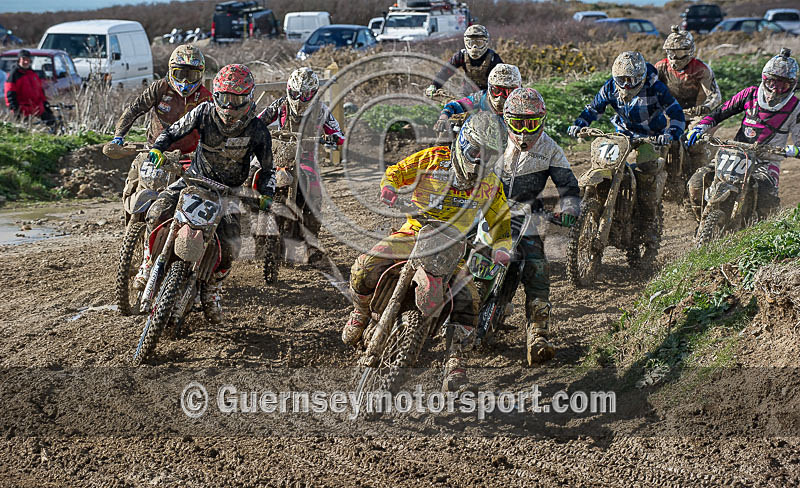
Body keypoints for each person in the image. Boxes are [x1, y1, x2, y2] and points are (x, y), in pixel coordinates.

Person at [343, 111, 512, 392]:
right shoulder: (434, 158)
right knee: (365, 265)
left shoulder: (491, 184)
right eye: (475, 151)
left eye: (488, 155)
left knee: (469, 298)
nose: (479, 160)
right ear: (461, 143)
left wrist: (502, 249)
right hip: (414, 233)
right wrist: (389, 188)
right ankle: (360, 312)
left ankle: (455, 360)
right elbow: (396, 172)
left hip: (454, 249)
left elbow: (501, 222)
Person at [137, 64, 274, 311]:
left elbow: (267, 169)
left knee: (233, 245)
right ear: (216, 96)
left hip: (229, 192)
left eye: (236, 99)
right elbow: (175, 131)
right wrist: (158, 147)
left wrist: (266, 194)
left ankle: (212, 288)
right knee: (157, 211)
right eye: (224, 98)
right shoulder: (204, 112)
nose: (229, 106)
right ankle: (148, 261)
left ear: (248, 98)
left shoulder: (258, 130)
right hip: (194, 179)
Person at [568, 51, 685, 260]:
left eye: (632, 80)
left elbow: (676, 113)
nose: (627, 85)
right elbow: (593, 109)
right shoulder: (610, 87)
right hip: (621, 135)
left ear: (640, 77)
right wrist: (579, 125)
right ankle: (591, 208)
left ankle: (648, 224)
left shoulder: (655, 88)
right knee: (603, 164)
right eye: (622, 79)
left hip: (650, 137)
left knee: (647, 171)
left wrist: (670, 133)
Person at [496, 87, 580, 365]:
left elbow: (568, 185)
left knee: (537, 267)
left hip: (526, 216)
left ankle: (538, 334)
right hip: (487, 212)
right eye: (518, 123)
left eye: (531, 123)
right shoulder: (492, 139)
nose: (524, 131)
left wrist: (568, 209)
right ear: (506, 120)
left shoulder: (550, 148)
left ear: (541, 121)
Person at [686, 48, 800, 221]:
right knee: (697, 182)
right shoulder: (750, 94)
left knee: (767, 196)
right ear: (764, 79)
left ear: (791, 85)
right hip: (735, 152)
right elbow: (721, 112)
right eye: (771, 82)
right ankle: (701, 222)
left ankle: (761, 233)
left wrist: (794, 150)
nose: (775, 89)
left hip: (767, 160)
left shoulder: (795, 107)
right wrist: (700, 127)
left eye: (782, 84)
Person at [256, 67, 344, 257]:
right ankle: (255, 226)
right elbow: (259, 120)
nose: (299, 98)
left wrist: (335, 137)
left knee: (314, 194)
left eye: (304, 95)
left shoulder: (321, 110)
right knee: (257, 178)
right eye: (295, 93)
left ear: (312, 93)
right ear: (289, 90)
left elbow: (337, 131)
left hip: (306, 159)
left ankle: (311, 244)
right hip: (279, 155)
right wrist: (254, 130)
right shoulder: (280, 105)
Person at [111, 45, 212, 204]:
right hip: (155, 152)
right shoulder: (160, 88)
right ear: (171, 71)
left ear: (200, 74)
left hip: (188, 158)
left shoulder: (205, 97)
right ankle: (131, 223)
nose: (185, 81)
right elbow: (134, 109)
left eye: (191, 75)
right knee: (132, 189)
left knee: (203, 200)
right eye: (180, 74)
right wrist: (119, 136)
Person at [655, 26, 722, 181]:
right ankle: (655, 176)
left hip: (695, 115)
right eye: (671, 52)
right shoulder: (661, 67)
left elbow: (715, 96)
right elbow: (649, 90)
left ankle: (698, 177)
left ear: (689, 51)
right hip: (670, 114)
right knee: (656, 139)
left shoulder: (702, 69)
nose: (675, 56)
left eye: (679, 52)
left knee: (696, 142)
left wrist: (706, 107)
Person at [433, 63, 521, 134]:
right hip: (482, 141)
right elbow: (455, 105)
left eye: (508, 92)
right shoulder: (482, 97)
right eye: (497, 91)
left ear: (517, 90)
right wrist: (443, 118)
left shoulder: (523, 102)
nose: (500, 97)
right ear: (490, 88)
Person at [425, 24, 504, 96]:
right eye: (471, 43)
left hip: (488, 93)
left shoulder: (493, 58)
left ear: (486, 42)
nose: (474, 47)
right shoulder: (461, 56)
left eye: (479, 43)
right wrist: (434, 86)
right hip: (467, 91)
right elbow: (446, 71)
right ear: (466, 42)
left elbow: (503, 78)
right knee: (456, 108)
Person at [4, 49, 54, 125]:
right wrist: (15, 110)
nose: (26, 62)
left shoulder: (32, 73)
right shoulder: (14, 75)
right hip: (23, 109)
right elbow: (10, 94)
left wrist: (45, 104)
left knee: (52, 122)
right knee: (24, 131)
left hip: (37, 107)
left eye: (28, 60)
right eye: (23, 59)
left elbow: (40, 91)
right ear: (19, 60)